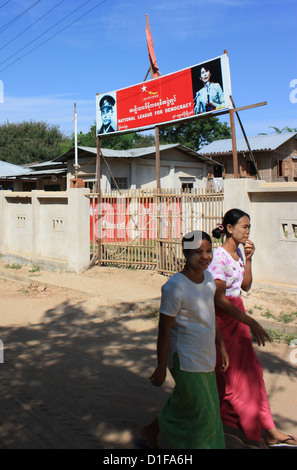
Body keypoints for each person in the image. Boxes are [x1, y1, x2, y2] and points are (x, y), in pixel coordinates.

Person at [208, 208, 297, 448]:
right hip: (224, 320)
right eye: (244, 227)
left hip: (237, 316)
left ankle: (270, 430)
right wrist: (251, 321)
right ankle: (165, 426)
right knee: (222, 379)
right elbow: (218, 299)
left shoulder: (237, 253)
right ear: (229, 228)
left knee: (252, 375)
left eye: (249, 227)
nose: (248, 232)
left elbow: (245, 286)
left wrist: (249, 259)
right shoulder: (219, 257)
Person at [138, 230, 229, 449]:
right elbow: (164, 331)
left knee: (189, 402)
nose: (205, 256)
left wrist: (223, 347)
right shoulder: (174, 287)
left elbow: (210, 316)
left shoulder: (208, 279)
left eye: (208, 251)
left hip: (206, 355)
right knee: (203, 413)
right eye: (198, 252)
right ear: (185, 253)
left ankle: (150, 431)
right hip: (186, 359)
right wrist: (161, 367)